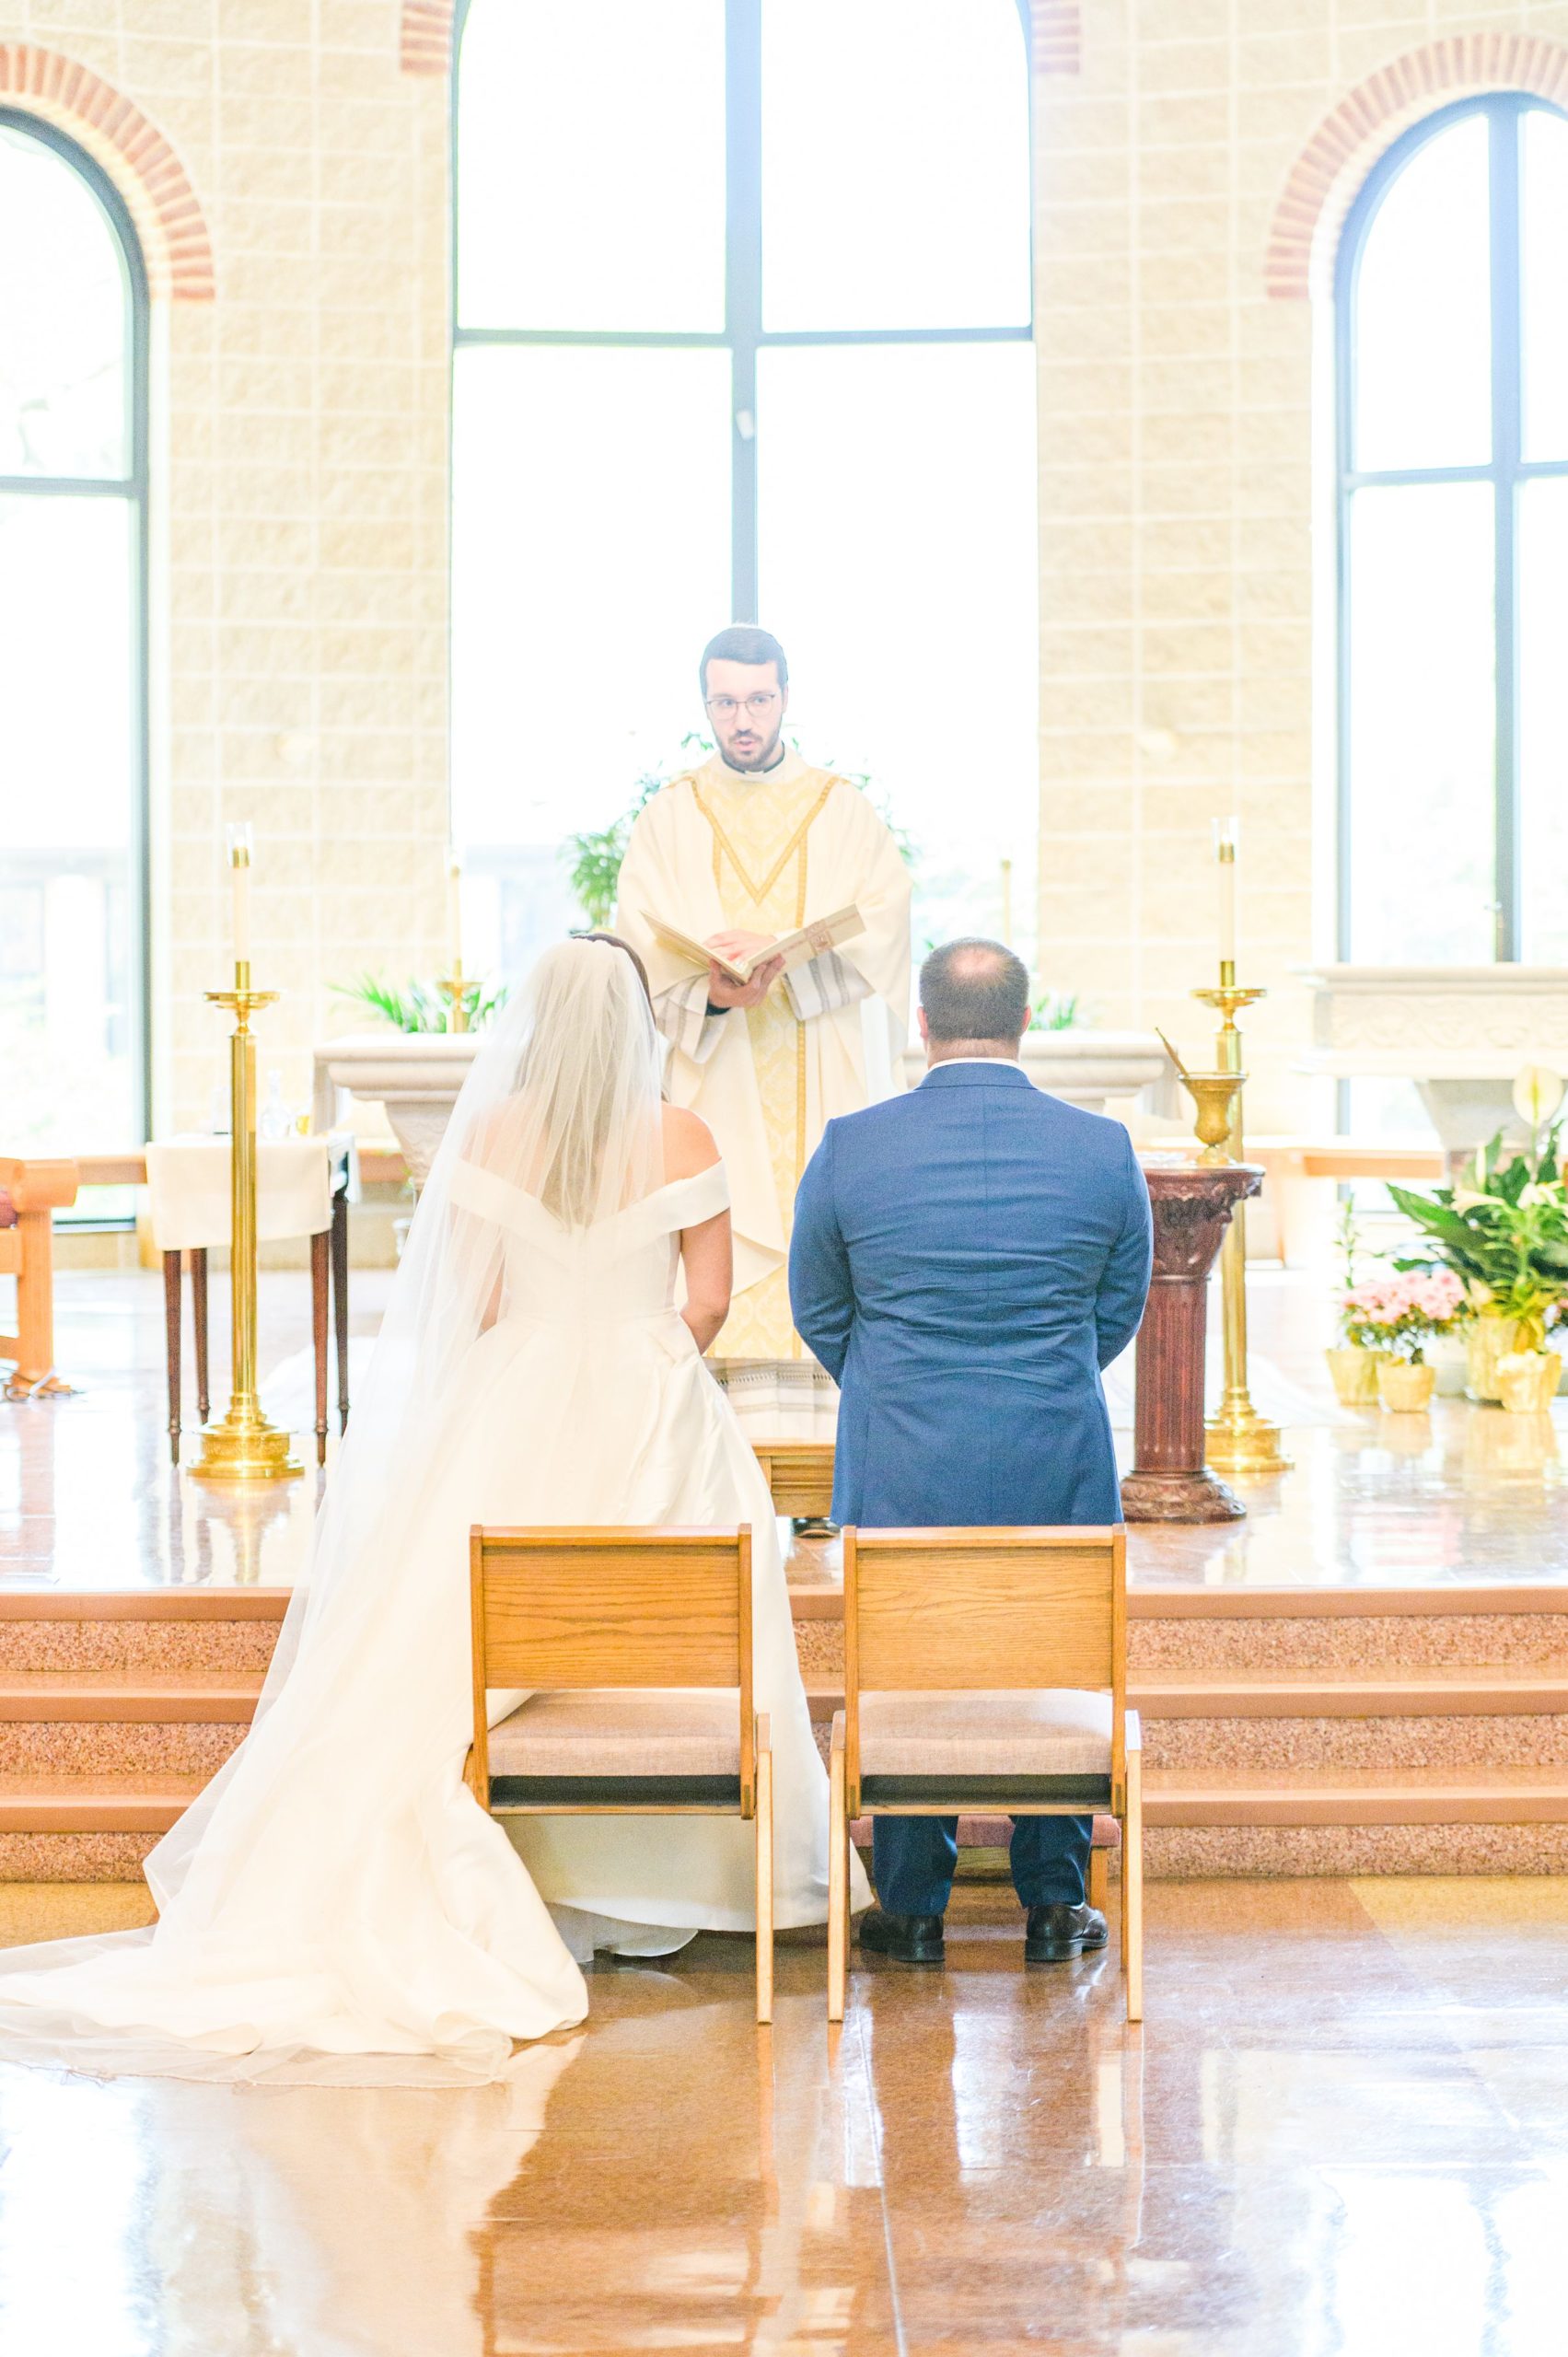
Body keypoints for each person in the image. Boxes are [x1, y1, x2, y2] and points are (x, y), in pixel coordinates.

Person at [0, 937, 858, 2084]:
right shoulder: (682, 1135)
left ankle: (529, 1867)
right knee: (679, 1612)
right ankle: (670, 1882)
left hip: (512, 1391)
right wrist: (642, 1361)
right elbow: (706, 1297)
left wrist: (541, 1357)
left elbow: (477, 1297)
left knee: (446, 1642)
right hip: (653, 1397)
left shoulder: (494, 1132)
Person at [788, 939, 1153, 1970]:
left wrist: (891, 1379)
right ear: (1025, 1021)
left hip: (901, 1445)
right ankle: (1051, 1904)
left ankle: (909, 1909)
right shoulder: (1098, 1147)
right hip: (1052, 1434)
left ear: (920, 1021)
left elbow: (818, 1303)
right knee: (1056, 1659)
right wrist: (1043, 1368)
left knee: (904, 1666)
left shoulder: (852, 1145)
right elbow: (1113, 1304)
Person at [616, 625, 911, 1445]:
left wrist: (794, 969)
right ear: (703, 704)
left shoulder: (840, 808)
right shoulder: (670, 815)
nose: (741, 719)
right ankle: (711, 1455)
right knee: (721, 1235)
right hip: (717, 1074)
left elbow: (886, 931)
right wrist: (709, 995)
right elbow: (636, 950)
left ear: (785, 695)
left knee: (816, 1240)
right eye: (724, 702)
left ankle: (818, 1465)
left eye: (757, 700)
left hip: (821, 1068)